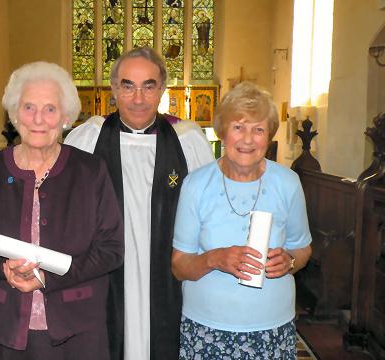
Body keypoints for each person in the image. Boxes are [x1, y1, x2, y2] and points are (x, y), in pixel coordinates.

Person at [0, 61, 124, 360]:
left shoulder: (91, 172)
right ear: (14, 114)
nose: (38, 119)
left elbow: (111, 249)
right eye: (28, 107)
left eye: (50, 109)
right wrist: (3, 268)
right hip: (1, 324)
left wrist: (49, 277)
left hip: (76, 327)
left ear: (65, 117)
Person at [64, 47, 214, 360]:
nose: (138, 97)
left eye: (148, 85)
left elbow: (208, 211)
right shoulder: (88, 138)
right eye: (128, 85)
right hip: (106, 272)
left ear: (161, 89)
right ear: (114, 89)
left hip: (168, 270)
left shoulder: (186, 139)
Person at [172, 82, 312, 359]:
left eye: (258, 129)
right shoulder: (196, 185)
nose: (248, 139)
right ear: (222, 132)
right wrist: (215, 259)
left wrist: (290, 262)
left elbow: (303, 248)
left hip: (272, 327)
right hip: (207, 328)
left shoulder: (288, 183)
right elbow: (179, 267)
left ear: (269, 136)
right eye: (238, 127)